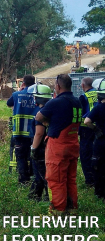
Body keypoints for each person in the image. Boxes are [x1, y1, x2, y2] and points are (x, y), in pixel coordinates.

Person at [36, 74, 82, 215]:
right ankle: (72, 208)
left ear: (58, 86)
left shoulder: (56, 102)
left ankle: (58, 211)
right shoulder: (77, 101)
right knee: (70, 179)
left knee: (56, 179)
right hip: (73, 144)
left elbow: (38, 117)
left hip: (58, 147)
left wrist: (48, 122)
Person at [7, 75, 39, 184]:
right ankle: (33, 176)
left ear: (23, 83)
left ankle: (23, 180)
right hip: (34, 132)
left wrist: (20, 90)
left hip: (19, 132)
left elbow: (8, 103)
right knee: (33, 155)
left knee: (21, 157)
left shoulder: (16, 95)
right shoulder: (36, 95)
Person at [27, 83, 52, 201]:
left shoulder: (41, 114)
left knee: (40, 173)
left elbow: (39, 133)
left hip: (40, 146)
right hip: (49, 146)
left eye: (35, 97)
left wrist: (33, 148)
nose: (34, 99)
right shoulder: (51, 111)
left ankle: (38, 197)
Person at [84, 78, 105, 199]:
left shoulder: (98, 108)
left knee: (98, 167)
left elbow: (87, 121)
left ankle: (100, 193)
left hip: (101, 142)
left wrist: (95, 129)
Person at [79, 77, 98, 187]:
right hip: (98, 128)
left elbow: (80, 113)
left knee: (85, 155)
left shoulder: (83, 97)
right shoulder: (98, 93)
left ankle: (89, 180)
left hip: (86, 128)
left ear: (83, 85)